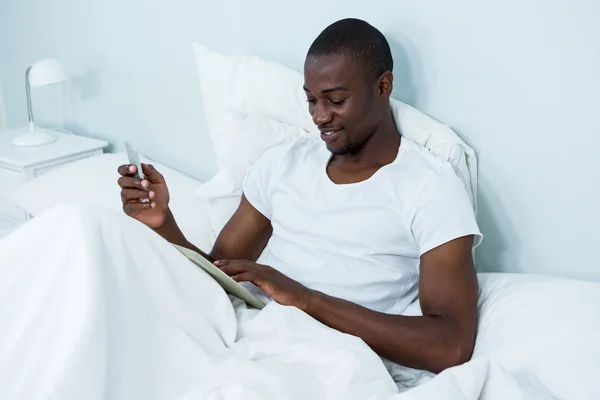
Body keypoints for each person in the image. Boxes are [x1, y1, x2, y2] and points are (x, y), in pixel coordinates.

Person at [118, 18, 482, 374]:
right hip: (242, 332)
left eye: (335, 100)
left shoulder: (428, 187)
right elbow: (220, 277)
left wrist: (305, 299)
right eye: (311, 101)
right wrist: (163, 224)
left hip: (326, 357)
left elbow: (449, 345)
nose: (320, 117)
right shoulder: (282, 162)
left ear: (383, 86)